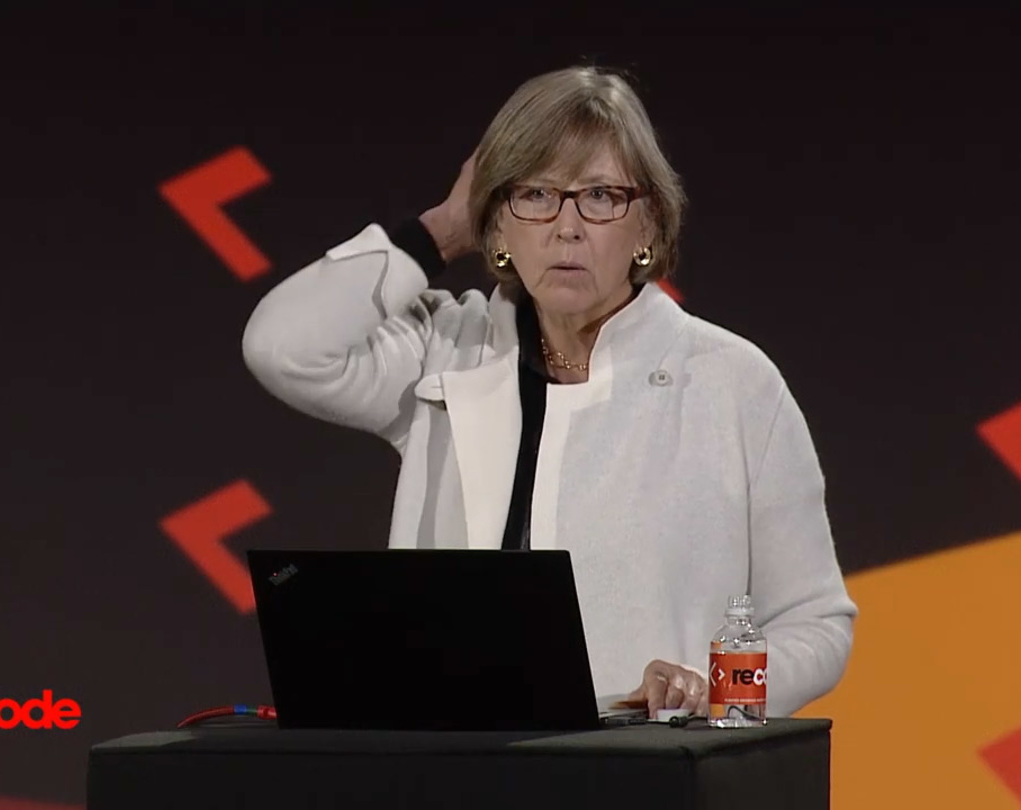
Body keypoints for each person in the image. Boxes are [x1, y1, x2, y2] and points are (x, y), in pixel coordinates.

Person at [242, 65, 857, 718]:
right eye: (535, 195)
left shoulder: (732, 383)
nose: (567, 227)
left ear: (648, 224)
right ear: (497, 225)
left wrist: (711, 690)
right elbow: (282, 347)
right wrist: (446, 228)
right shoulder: (445, 353)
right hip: (454, 763)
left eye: (600, 196)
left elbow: (816, 623)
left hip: (650, 763)